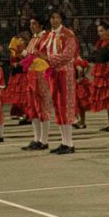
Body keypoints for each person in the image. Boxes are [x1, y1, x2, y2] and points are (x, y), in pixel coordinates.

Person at [44, 11, 78, 154]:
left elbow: (68, 55)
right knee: (57, 106)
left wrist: (48, 59)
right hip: (54, 72)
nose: (54, 20)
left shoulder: (68, 34)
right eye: (52, 17)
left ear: (62, 19)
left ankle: (69, 143)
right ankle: (64, 141)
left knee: (65, 105)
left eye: (57, 17)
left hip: (65, 72)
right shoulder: (49, 35)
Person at [21, 17, 52, 151]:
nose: (31, 26)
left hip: (41, 74)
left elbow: (46, 56)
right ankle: (36, 138)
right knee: (32, 107)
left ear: (41, 25)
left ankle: (44, 140)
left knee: (42, 105)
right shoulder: (34, 39)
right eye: (30, 24)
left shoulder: (46, 37)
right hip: (31, 74)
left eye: (34, 23)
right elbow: (28, 55)